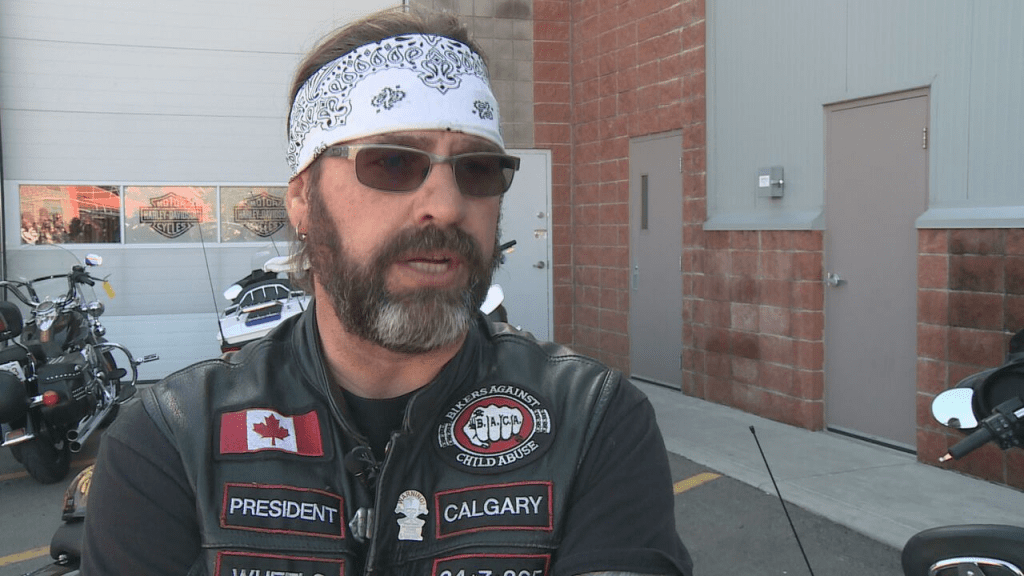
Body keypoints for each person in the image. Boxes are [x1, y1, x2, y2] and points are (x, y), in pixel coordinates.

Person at [81, 8, 693, 576]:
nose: (447, 206)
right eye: (394, 164)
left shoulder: (591, 421)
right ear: (302, 198)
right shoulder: (172, 442)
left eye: (477, 168)